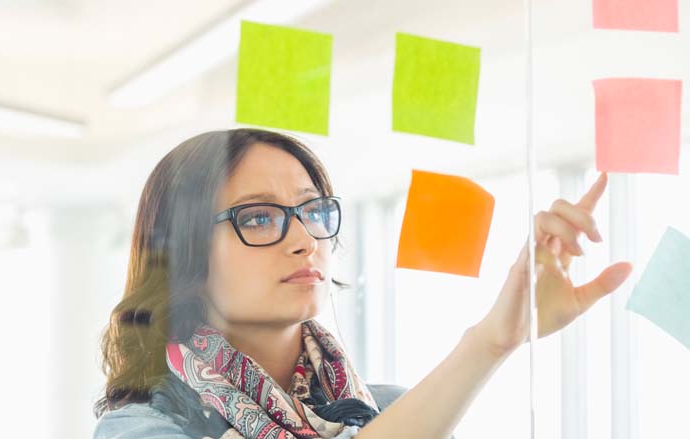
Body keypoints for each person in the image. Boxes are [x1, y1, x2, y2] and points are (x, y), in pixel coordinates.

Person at [92, 128, 631, 438]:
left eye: (313, 211)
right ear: (182, 253)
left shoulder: (391, 410)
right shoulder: (142, 428)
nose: (305, 240)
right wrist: (489, 341)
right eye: (258, 217)